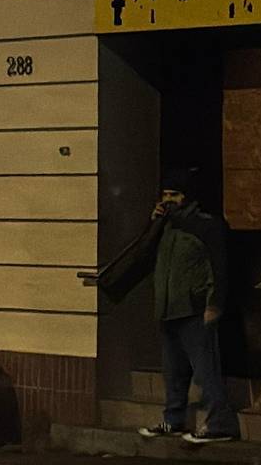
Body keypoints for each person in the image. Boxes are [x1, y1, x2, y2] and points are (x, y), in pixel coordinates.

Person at [102, 169, 240, 443]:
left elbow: (219, 268)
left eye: (174, 195)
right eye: (165, 194)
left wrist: (214, 304)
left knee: (205, 371)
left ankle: (220, 422)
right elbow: (143, 253)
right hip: (168, 308)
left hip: (194, 308)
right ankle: (173, 419)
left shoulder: (206, 225)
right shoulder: (166, 226)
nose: (168, 200)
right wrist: (153, 224)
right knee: (173, 372)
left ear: (187, 197)